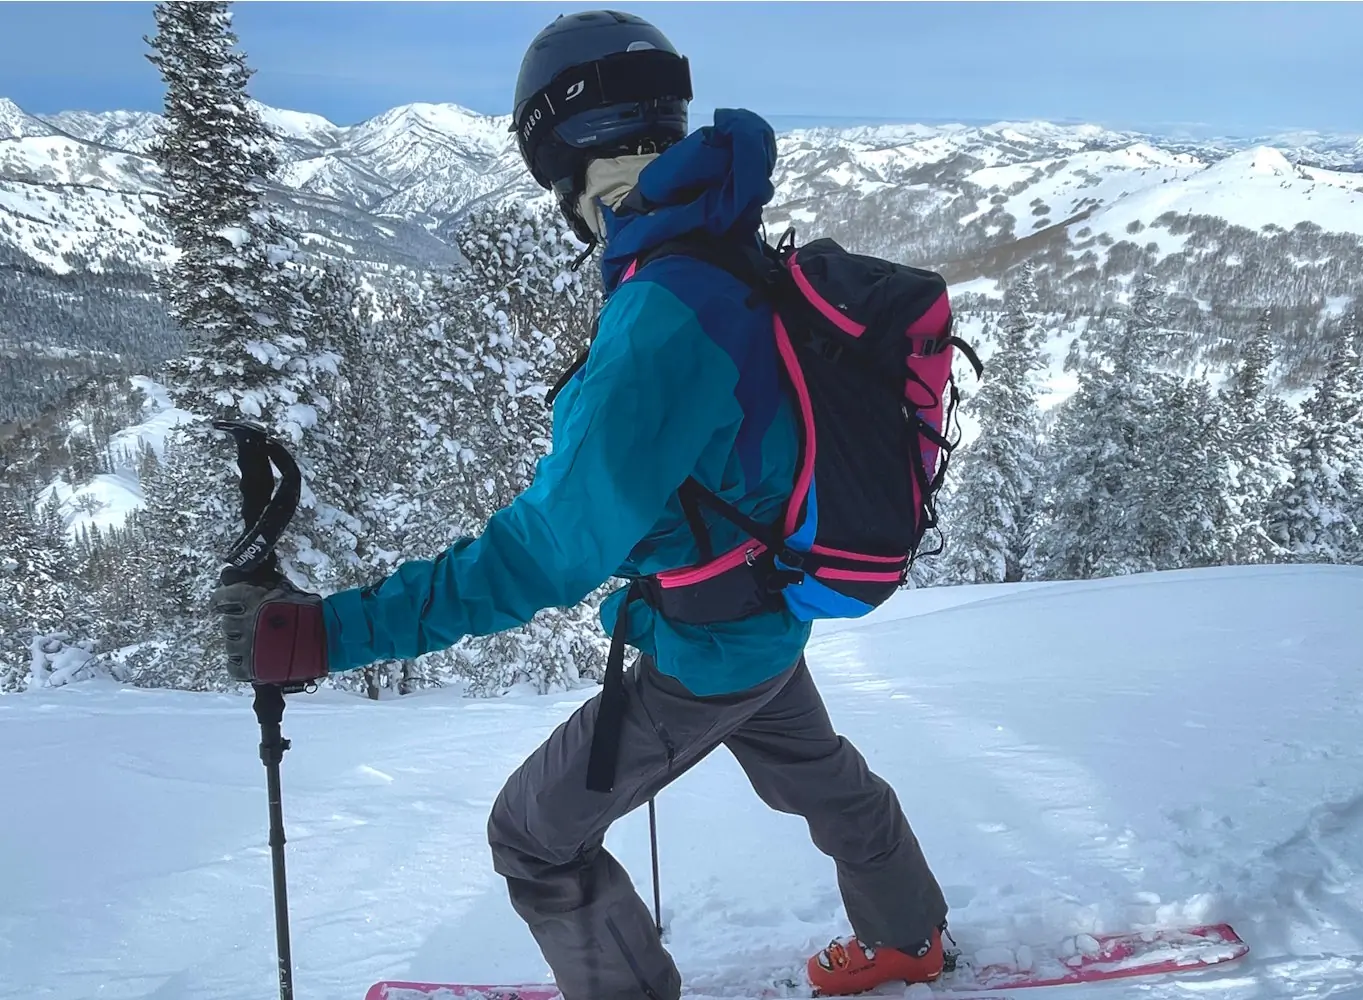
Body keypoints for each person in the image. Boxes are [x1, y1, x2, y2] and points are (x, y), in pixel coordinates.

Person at [212, 9, 947, 999]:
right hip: (763, 622)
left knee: (532, 835)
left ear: (566, 167)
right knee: (821, 779)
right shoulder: (729, 249)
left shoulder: (664, 314)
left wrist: (326, 634)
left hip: (712, 648)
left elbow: (542, 555)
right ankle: (909, 938)